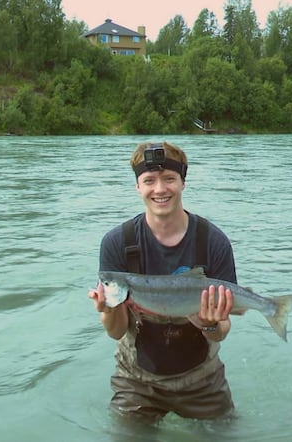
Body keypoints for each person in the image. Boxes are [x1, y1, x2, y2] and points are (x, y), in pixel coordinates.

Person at [88, 141, 238, 422]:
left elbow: (222, 331)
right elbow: (116, 332)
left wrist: (208, 322)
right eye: (149, 181)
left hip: (202, 380)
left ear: (183, 183)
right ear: (137, 186)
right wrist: (108, 310)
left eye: (169, 179)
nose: (159, 189)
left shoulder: (214, 242)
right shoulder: (116, 243)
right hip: (136, 381)